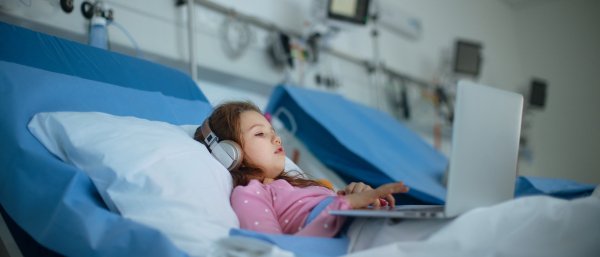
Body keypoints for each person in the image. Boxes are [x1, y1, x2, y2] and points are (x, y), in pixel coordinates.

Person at [194, 101, 409, 237]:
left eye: (272, 131)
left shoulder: (300, 185)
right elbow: (273, 250)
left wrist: (362, 197)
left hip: (374, 225)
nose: (276, 137)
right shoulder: (251, 194)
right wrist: (346, 205)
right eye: (260, 134)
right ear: (229, 153)